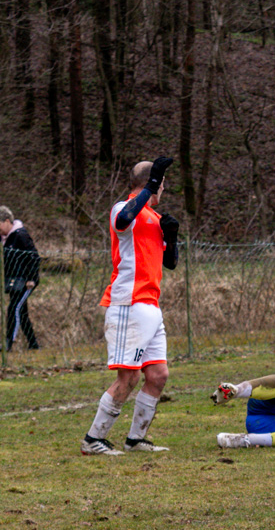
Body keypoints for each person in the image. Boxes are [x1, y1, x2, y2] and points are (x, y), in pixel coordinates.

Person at [80, 157, 180, 456]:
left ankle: (135, 439)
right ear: (154, 183)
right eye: (161, 183)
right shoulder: (124, 209)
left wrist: (172, 238)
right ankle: (92, 439)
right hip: (129, 302)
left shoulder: (151, 214)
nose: (162, 189)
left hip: (151, 304)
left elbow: (170, 262)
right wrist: (150, 188)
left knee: (158, 375)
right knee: (129, 377)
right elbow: (124, 219)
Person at [1, 207, 41, 351]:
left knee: (14, 309)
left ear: (7, 221)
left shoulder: (21, 235)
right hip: (13, 282)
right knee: (22, 312)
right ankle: (34, 345)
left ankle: (7, 344)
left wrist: (31, 278)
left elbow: (34, 257)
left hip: (26, 282)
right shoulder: (3, 238)